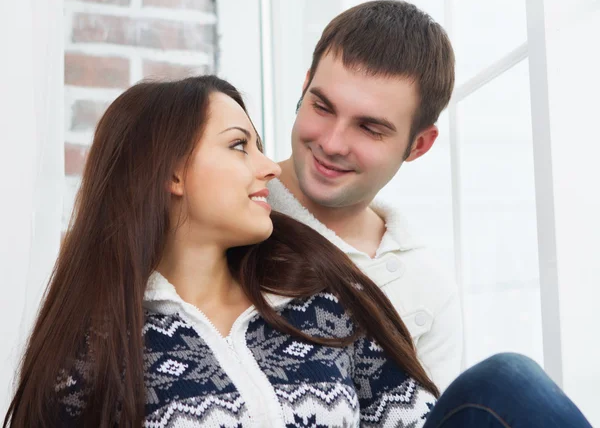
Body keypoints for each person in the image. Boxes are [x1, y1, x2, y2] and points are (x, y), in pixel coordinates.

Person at [3, 76, 591, 428]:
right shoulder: (94, 351)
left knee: (508, 381)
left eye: (260, 144)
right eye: (239, 146)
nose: (267, 165)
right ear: (171, 173)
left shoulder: (326, 305)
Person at [269, 0, 462, 391]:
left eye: (370, 128)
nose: (332, 143)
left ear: (418, 145)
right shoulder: (226, 216)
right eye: (322, 106)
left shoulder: (427, 286)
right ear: (304, 87)